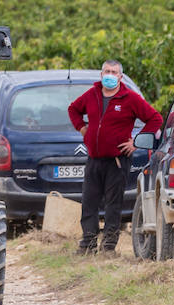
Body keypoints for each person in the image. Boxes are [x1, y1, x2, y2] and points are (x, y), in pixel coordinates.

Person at [68, 59, 162, 255]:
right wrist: (82, 128)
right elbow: (73, 109)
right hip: (94, 159)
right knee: (89, 202)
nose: (110, 75)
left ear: (120, 76)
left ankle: (109, 246)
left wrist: (135, 143)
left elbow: (155, 119)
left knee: (113, 203)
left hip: (117, 160)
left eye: (114, 72)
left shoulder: (130, 98)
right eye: (107, 71)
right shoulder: (92, 94)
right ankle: (88, 243)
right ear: (101, 75)